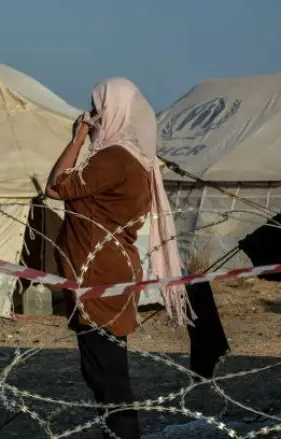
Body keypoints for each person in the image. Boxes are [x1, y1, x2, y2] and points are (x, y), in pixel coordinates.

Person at [45, 78, 188, 439]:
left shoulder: (114, 159)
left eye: (96, 109)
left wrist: (77, 139)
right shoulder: (132, 159)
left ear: (114, 111)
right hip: (106, 273)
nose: (91, 117)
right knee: (105, 375)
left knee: (108, 379)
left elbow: (56, 185)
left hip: (99, 279)